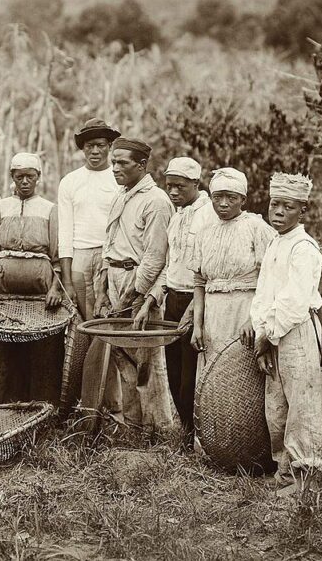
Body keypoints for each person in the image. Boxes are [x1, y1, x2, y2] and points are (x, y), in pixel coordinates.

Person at [242, 172, 322, 496]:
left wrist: (269, 333)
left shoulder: (304, 249)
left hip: (297, 333)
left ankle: (308, 472)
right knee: (275, 406)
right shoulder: (276, 243)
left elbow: (294, 300)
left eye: (287, 206)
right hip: (275, 333)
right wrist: (261, 328)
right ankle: (285, 469)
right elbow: (264, 293)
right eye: (274, 203)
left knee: (301, 405)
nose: (277, 211)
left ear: (302, 211)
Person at [191, 168, 276, 448]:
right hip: (214, 313)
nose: (223, 204)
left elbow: (270, 277)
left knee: (246, 379)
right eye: (217, 198)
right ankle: (214, 446)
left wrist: (255, 318)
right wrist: (198, 325)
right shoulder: (204, 233)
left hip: (246, 309)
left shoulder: (257, 228)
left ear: (243, 198)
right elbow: (199, 281)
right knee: (214, 379)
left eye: (230, 197)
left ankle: (251, 446)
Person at [134, 156, 218, 438]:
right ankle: (186, 433)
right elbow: (170, 268)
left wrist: (196, 310)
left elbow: (208, 272)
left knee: (191, 379)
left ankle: (201, 437)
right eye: (169, 186)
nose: (173, 192)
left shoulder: (209, 215)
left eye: (180, 186)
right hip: (173, 300)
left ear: (196, 183)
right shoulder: (177, 215)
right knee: (174, 375)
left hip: (197, 303)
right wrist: (151, 301)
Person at [0, 153, 64, 404]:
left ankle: (41, 406)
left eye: (30, 177)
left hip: (41, 286)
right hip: (2, 284)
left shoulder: (49, 209)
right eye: (19, 176)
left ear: (39, 178)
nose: (25, 181)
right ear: (12, 177)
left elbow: (57, 255)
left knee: (42, 344)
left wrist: (55, 288)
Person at [99, 137, 177, 434]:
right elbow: (110, 243)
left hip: (139, 285)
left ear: (142, 165)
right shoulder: (122, 195)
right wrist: (105, 288)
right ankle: (133, 426)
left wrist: (134, 296)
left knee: (148, 357)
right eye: (114, 161)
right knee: (122, 354)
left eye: (122, 163)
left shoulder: (156, 202)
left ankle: (161, 428)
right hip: (117, 279)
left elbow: (156, 257)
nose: (115, 167)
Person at [57, 118, 121, 320]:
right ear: (82, 149)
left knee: (111, 314)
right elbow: (65, 233)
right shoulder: (70, 181)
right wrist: (66, 280)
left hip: (111, 256)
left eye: (100, 146)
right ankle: (85, 353)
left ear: (110, 147)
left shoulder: (120, 179)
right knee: (84, 319)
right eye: (89, 146)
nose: (95, 151)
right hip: (79, 258)